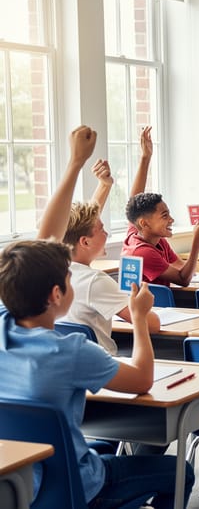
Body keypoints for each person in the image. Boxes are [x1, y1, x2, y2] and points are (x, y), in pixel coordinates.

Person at [0, 145, 194, 507]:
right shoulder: (70, 350)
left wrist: (76, 166)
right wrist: (137, 319)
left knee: (103, 444)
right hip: (80, 485)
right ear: (57, 294)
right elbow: (142, 380)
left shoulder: (2, 325)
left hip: (20, 486)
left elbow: (44, 240)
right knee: (181, 470)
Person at [36, 126, 160, 354]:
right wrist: (141, 312)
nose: (107, 234)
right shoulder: (94, 281)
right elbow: (153, 325)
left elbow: (69, 228)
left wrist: (104, 185)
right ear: (84, 242)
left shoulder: (49, 272)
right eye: (102, 230)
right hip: (106, 365)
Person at [121, 127, 199, 287]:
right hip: (152, 310)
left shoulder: (149, 237)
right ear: (144, 223)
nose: (171, 220)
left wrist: (146, 158)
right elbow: (184, 279)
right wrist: (197, 240)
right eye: (164, 216)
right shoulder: (142, 252)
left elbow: (134, 200)